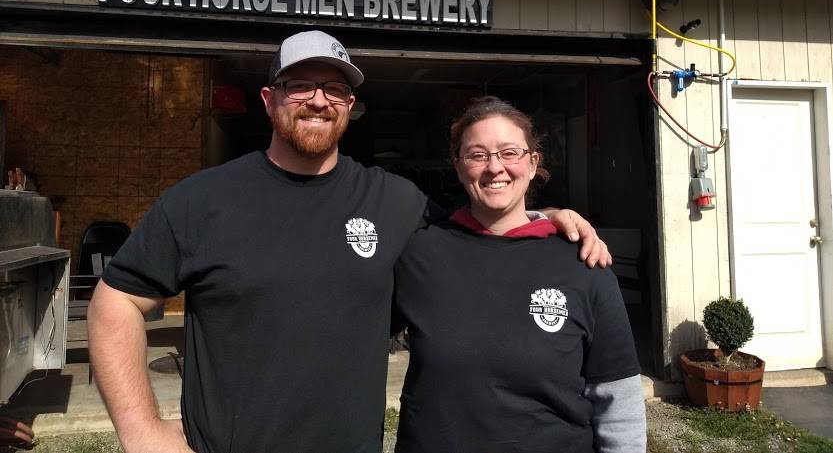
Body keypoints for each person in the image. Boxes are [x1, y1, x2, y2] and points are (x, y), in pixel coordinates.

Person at [88, 30, 611, 453]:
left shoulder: (394, 202)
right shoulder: (202, 200)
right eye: (300, 85)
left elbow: (480, 229)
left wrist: (545, 213)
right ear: (269, 99)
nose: (318, 100)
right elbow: (115, 303)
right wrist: (143, 433)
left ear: (350, 105)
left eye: (334, 89)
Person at [394, 96, 645, 453]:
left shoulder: (582, 262)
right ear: (458, 166)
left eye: (509, 153)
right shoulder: (420, 252)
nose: (494, 167)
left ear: (532, 163)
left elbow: (617, 397)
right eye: (477, 155)